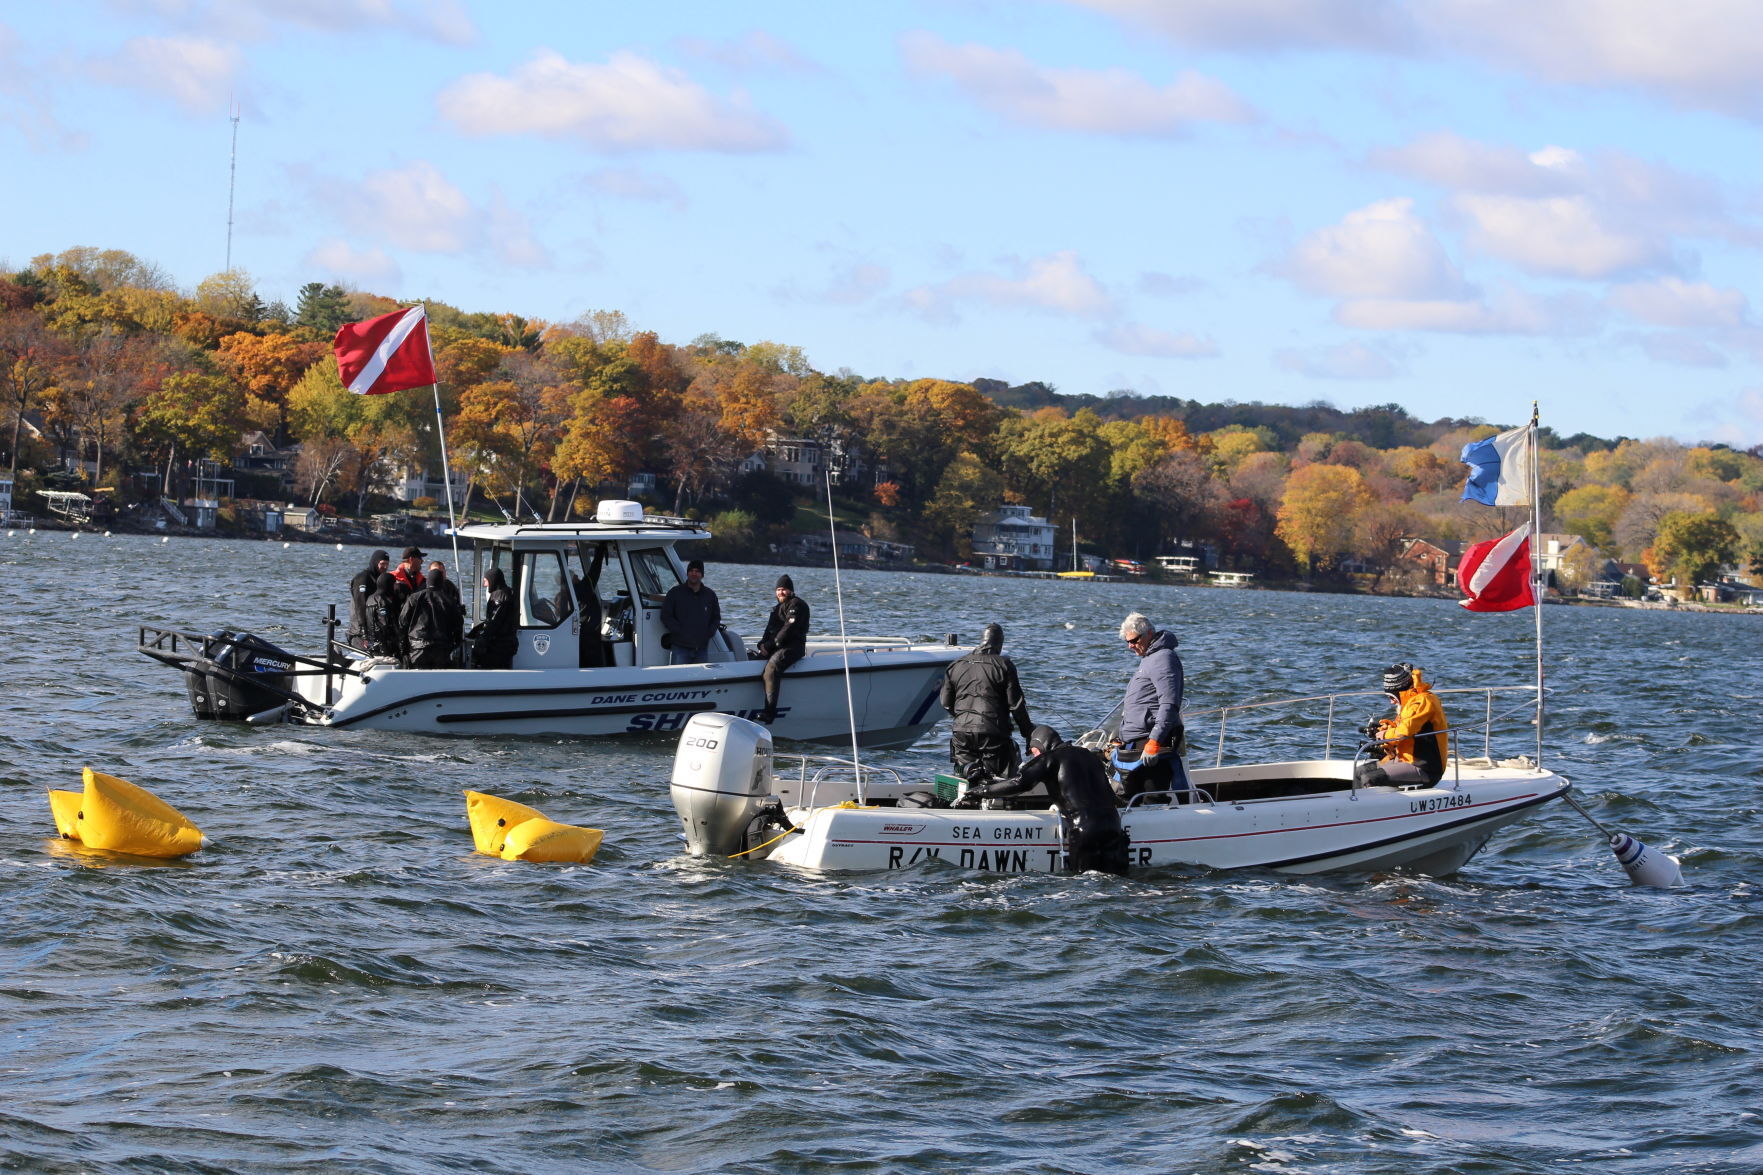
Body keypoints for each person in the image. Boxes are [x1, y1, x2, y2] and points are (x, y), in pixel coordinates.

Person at [959, 725, 1130, 876]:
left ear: (1042, 744)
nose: (1035, 757)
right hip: (1114, 827)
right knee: (1117, 881)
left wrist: (982, 791)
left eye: (1034, 752)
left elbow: (1020, 783)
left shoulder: (1051, 758)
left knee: (1085, 884)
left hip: (1085, 831)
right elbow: (1110, 794)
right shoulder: (1091, 756)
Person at [939, 622, 1035, 783]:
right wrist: (1028, 733)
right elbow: (1016, 705)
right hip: (993, 732)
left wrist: (964, 716)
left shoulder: (956, 665)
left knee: (966, 778)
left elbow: (946, 703)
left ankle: (962, 804)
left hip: (961, 732)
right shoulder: (1004, 664)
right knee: (996, 780)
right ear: (1000, 643)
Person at [1109, 612, 1188, 800]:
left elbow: (1169, 704)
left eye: (1134, 640)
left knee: (1152, 797)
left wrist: (1154, 741)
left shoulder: (1163, 658)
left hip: (1152, 742)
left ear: (1149, 633)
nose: (1130, 646)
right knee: (1127, 796)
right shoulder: (1150, 658)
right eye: (1127, 642)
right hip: (1136, 742)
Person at [1359, 663, 1449, 786]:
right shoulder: (1410, 702)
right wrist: (1384, 728)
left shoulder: (1424, 701)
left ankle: (1369, 804)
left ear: (1400, 692)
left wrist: (1385, 735)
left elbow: (1405, 730)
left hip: (1424, 767)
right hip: (1404, 759)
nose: (1391, 702)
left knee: (1369, 779)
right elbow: (1401, 726)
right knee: (1359, 772)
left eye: (1392, 697)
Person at [754, 574, 809, 724]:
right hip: (775, 647)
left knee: (772, 668)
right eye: (778, 589)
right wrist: (762, 645)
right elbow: (769, 630)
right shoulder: (777, 608)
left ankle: (769, 712)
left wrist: (770, 645)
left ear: (790, 591)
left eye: (784, 589)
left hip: (793, 647)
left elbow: (788, 629)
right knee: (752, 661)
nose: (781, 592)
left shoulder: (797, 605)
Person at [399, 563, 464, 669]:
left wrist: (404, 649)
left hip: (417, 647)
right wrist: (455, 643)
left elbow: (402, 623)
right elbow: (458, 624)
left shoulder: (414, 598)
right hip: (442, 648)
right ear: (442, 582)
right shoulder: (449, 600)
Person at [661, 558, 721, 664]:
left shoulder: (710, 595)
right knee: (678, 679)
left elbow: (716, 618)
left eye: (697, 571)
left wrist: (708, 633)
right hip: (680, 648)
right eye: (691, 571)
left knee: (701, 680)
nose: (694, 573)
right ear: (687, 573)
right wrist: (679, 631)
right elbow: (666, 615)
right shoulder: (675, 593)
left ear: (702, 575)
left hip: (701, 650)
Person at [468, 568, 519, 669]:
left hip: (499, 646)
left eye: (486, 581)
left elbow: (495, 621)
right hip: (507, 644)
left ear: (493, 580)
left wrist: (482, 639)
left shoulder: (499, 595)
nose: (485, 585)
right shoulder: (507, 592)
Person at [347, 549, 390, 649]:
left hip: (374, 630)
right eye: (382, 563)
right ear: (375, 562)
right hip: (359, 632)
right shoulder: (363, 578)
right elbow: (360, 606)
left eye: (387, 564)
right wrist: (363, 633)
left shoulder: (380, 579)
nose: (385, 567)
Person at [362, 572, 402, 661]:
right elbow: (385, 624)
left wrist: (365, 637)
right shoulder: (383, 601)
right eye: (394, 583)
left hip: (372, 642)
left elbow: (365, 620)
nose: (396, 586)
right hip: (384, 645)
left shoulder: (370, 598)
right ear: (388, 584)